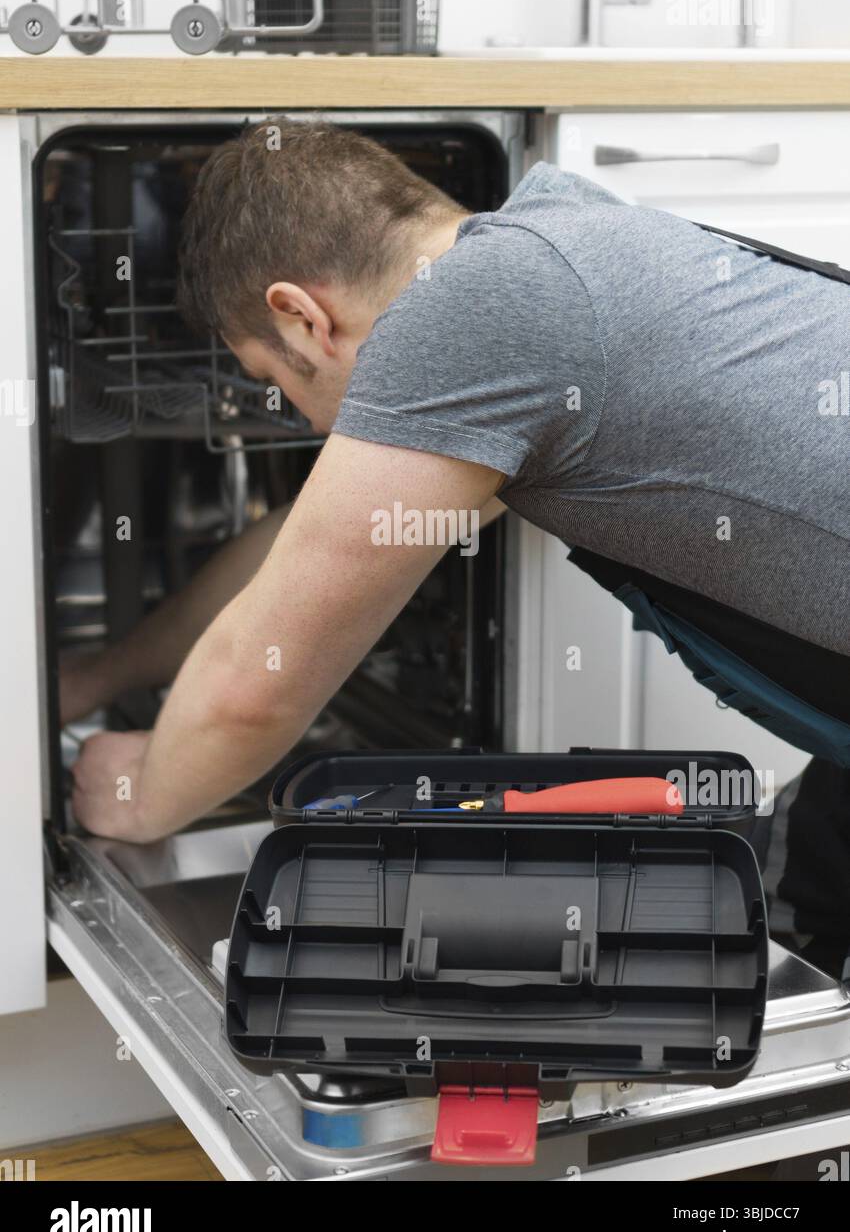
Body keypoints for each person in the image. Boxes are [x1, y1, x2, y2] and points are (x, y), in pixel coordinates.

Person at [67, 118, 850, 972]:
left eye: (275, 383)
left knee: (791, 913)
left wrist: (140, 796)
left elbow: (255, 686)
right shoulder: (558, 235)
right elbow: (295, 556)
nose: (302, 422)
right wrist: (104, 677)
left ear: (299, 318)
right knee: (798, 890)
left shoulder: (462, 320)